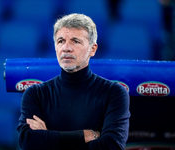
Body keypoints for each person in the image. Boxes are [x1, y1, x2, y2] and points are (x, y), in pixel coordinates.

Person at [17, 13, 130, 150]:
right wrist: (83, 136)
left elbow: (111, 147)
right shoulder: (35, 94)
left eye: (75, 41)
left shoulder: (114, 93)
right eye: (61, 41)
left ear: (92, 49)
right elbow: (28, 142)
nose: (66, 48)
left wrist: (48, 138)